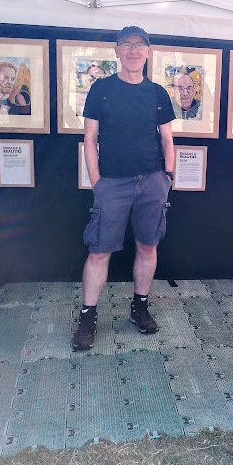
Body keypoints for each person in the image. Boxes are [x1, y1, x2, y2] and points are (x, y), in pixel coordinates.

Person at [72, 25, 175, 351]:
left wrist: (167, 177)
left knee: (148, 246)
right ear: (117, 51)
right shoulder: (101, 90)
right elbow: (89, 139)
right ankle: (88, 316)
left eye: (139, 45)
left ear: (148, 52)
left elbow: (167, 139)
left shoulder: (158, 93)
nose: (133, 50)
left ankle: (139, 307)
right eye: (127, 45)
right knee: (99, 251)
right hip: (112, 183)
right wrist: (97, 182)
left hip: (152, 182)